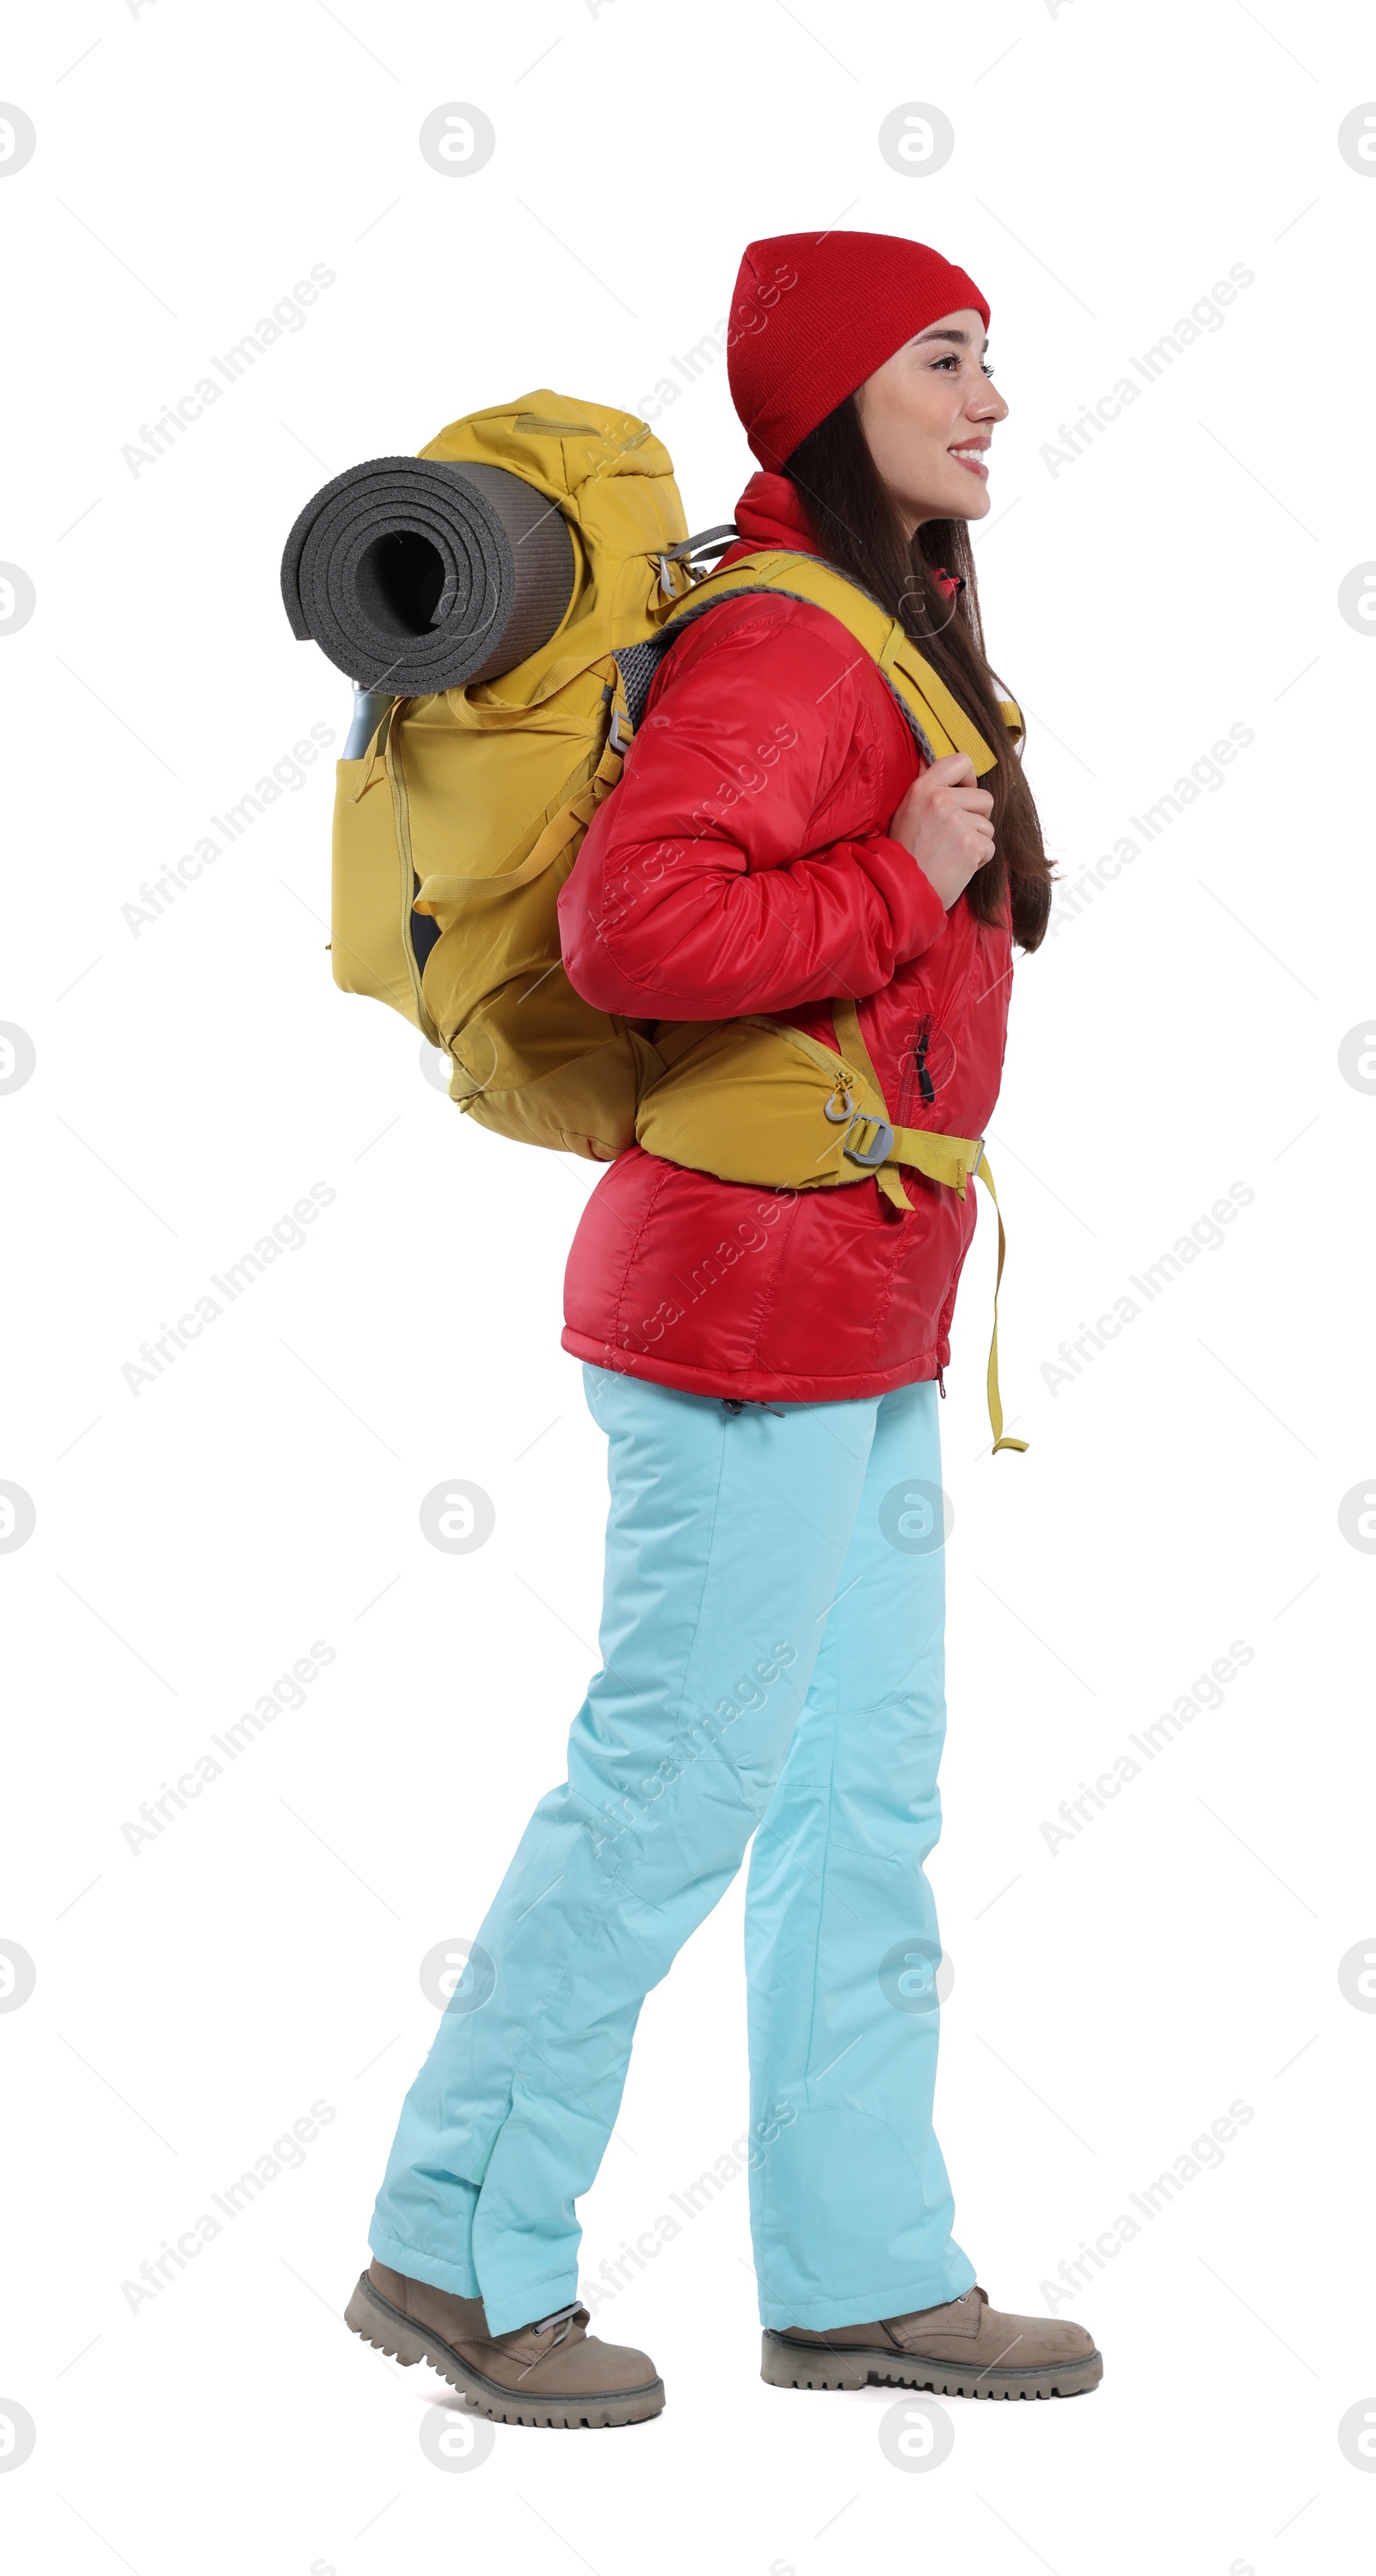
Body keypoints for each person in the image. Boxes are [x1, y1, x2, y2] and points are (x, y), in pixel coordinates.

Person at [345, 230, 1103, 2426]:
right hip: (738, 1306)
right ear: (830, 397)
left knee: (858, 1796)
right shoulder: (787, 644)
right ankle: (453, 2239)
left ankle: (863, 2270)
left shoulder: (880, 619)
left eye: (988, 356)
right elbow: (638, 917)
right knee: (674, 1776)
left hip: (846, 1306)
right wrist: (904, 874)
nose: (984, 397)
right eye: (939, 359)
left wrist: (914, 862)